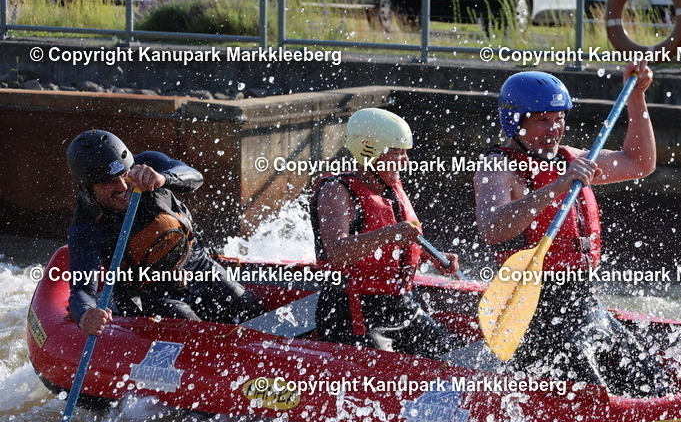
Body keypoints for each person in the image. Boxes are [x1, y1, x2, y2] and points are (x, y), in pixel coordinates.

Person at [473, 63, 667, 397]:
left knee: (650, 381)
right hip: (534, 307)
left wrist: (637, 98)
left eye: (559, 118)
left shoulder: (570, 158)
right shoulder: (497, 166)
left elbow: (640, 163)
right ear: (514, 121)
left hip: (583, 301)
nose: (555, 128)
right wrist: (558, 186)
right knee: (593, 394)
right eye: (543, 120)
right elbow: (492, 229)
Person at [67, 130, 263, 336]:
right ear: (89, 189)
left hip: (199, 265)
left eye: (124, 175)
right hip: (155, 293)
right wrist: (85, 314)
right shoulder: (85, 227)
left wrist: (163, 178)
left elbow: (195, 177)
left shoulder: (147, 165)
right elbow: (82, 290)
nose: (123, 186)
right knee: (199, 335)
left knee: (250, 309)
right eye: (109, 182)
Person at [309, 107, 462, 357]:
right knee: (385, 368)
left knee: (453, 354)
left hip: (402, 306)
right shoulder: (336, 190)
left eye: (405, 152)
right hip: (353, 311)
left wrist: (433, 256)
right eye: (397, 152)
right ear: (369, 150)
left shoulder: (391, 189)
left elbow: (400, 245)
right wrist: (389, 234)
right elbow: (336, 252)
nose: (406, 161)